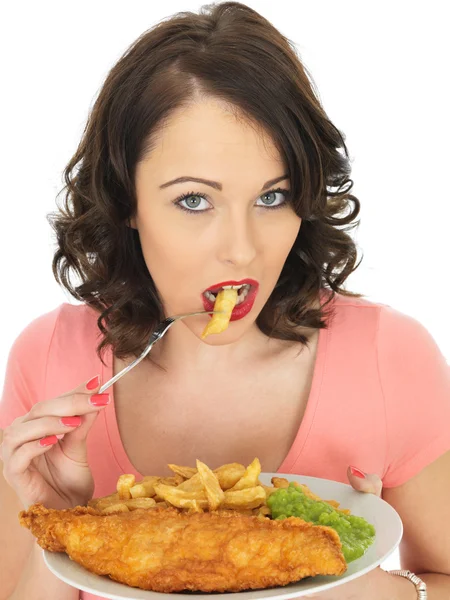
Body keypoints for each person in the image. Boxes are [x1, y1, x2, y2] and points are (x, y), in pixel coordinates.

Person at [1, 2, 449, 599]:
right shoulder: (50, 356)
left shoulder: (390, 357)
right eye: (194, 200)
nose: (241, 251)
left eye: (272, 197)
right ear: (127, 200)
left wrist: (362, 591)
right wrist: (55, 527)